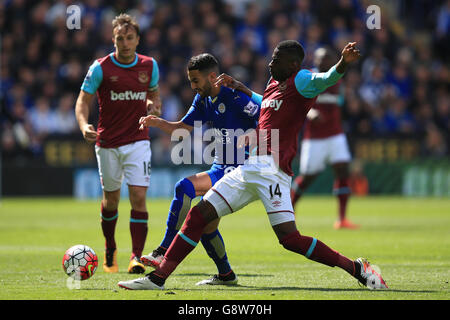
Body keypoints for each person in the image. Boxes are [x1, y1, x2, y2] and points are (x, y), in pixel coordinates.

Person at [118, 40, 388, 290]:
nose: (270, 63)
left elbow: (326, 79)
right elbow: (266, 104)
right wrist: (244, 89)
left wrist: (343, 63)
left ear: (293, 64)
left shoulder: (302, 79)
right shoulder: (274, 83)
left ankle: (356, 268)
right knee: (199, 215)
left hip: (273, 170)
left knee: (290, 239)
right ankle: (158, 278)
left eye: (277, 59)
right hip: (251, 167)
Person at [138, 53, 260, 285]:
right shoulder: (202, 100)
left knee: (184, 187)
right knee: (206, 225)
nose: (192, 86)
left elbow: (267, 116)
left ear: (212, 77)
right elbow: (180, 129)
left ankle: (163, 249)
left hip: (241, 169)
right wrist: (156, 122)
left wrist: (254, 135)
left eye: (195, 80)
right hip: (221, 167)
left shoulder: (234, 96)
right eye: (190, 81)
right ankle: (226, 274)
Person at [75, 14, 162, 274]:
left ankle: (135, 256)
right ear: (112, 39)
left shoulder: (149, 65)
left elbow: (154, 96)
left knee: (138, 197)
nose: (124, 43)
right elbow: (82, 101)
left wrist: (152, 106)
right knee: (111, 201)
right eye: (119, 38)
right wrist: (83, 125)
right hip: (108, 142)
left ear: (137, 40)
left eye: (129, 38)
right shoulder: (100, 68)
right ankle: (110, 246)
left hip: (138, 140)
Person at [290, 46, 359, 229]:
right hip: (314, 138)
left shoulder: (338, 80)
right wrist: (310, 112)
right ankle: (289, 212)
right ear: (315, 60)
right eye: (321, 58)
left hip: (336, 134)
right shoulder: (308, 78)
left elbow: (342, 104)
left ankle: (342, 219)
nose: (323, 61)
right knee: (307, 177)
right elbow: (298, 104)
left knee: (343, 171)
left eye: (327, 59)